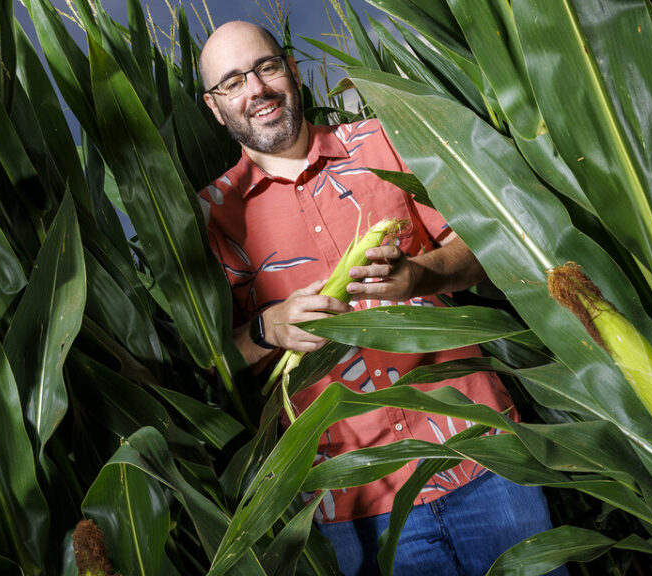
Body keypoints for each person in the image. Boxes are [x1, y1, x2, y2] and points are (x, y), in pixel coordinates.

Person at [197, 21, 565, 576]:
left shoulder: (382, 140)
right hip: (355, 500)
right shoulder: (211, 218)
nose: (256, 89)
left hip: (483, 454)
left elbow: (484, 246)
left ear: (291, 69)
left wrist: (423, 274)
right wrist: (266, 328)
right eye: (232, 82)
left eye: (266, 66)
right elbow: (205, 361)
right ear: (214, 106)